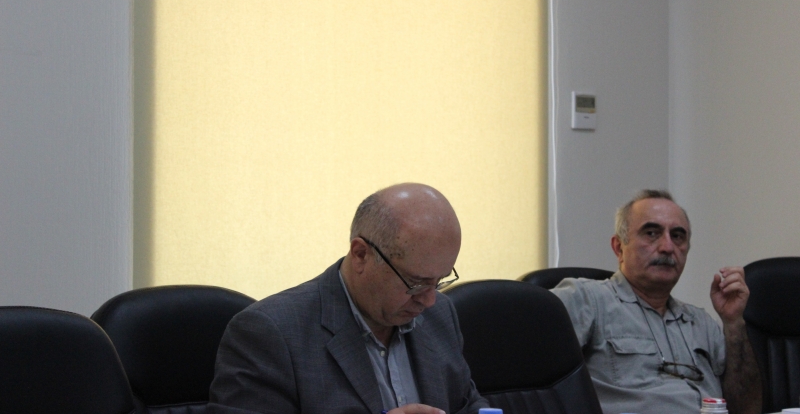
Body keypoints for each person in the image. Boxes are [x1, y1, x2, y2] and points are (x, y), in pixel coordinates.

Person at [209, 183, 488, 414]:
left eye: (439, 281)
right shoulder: (270, 333)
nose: (429, 301)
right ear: (361, 255)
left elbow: (467, 403)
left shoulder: (440, 315)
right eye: (416, 283)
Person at [551, 190, 761, 414]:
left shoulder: (702, 323)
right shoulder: (585, 299)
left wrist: (734, 322)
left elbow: (747, 409)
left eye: (677, 236)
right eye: (651, 233)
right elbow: (530, 385)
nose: (668, 247)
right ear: (619, 247)